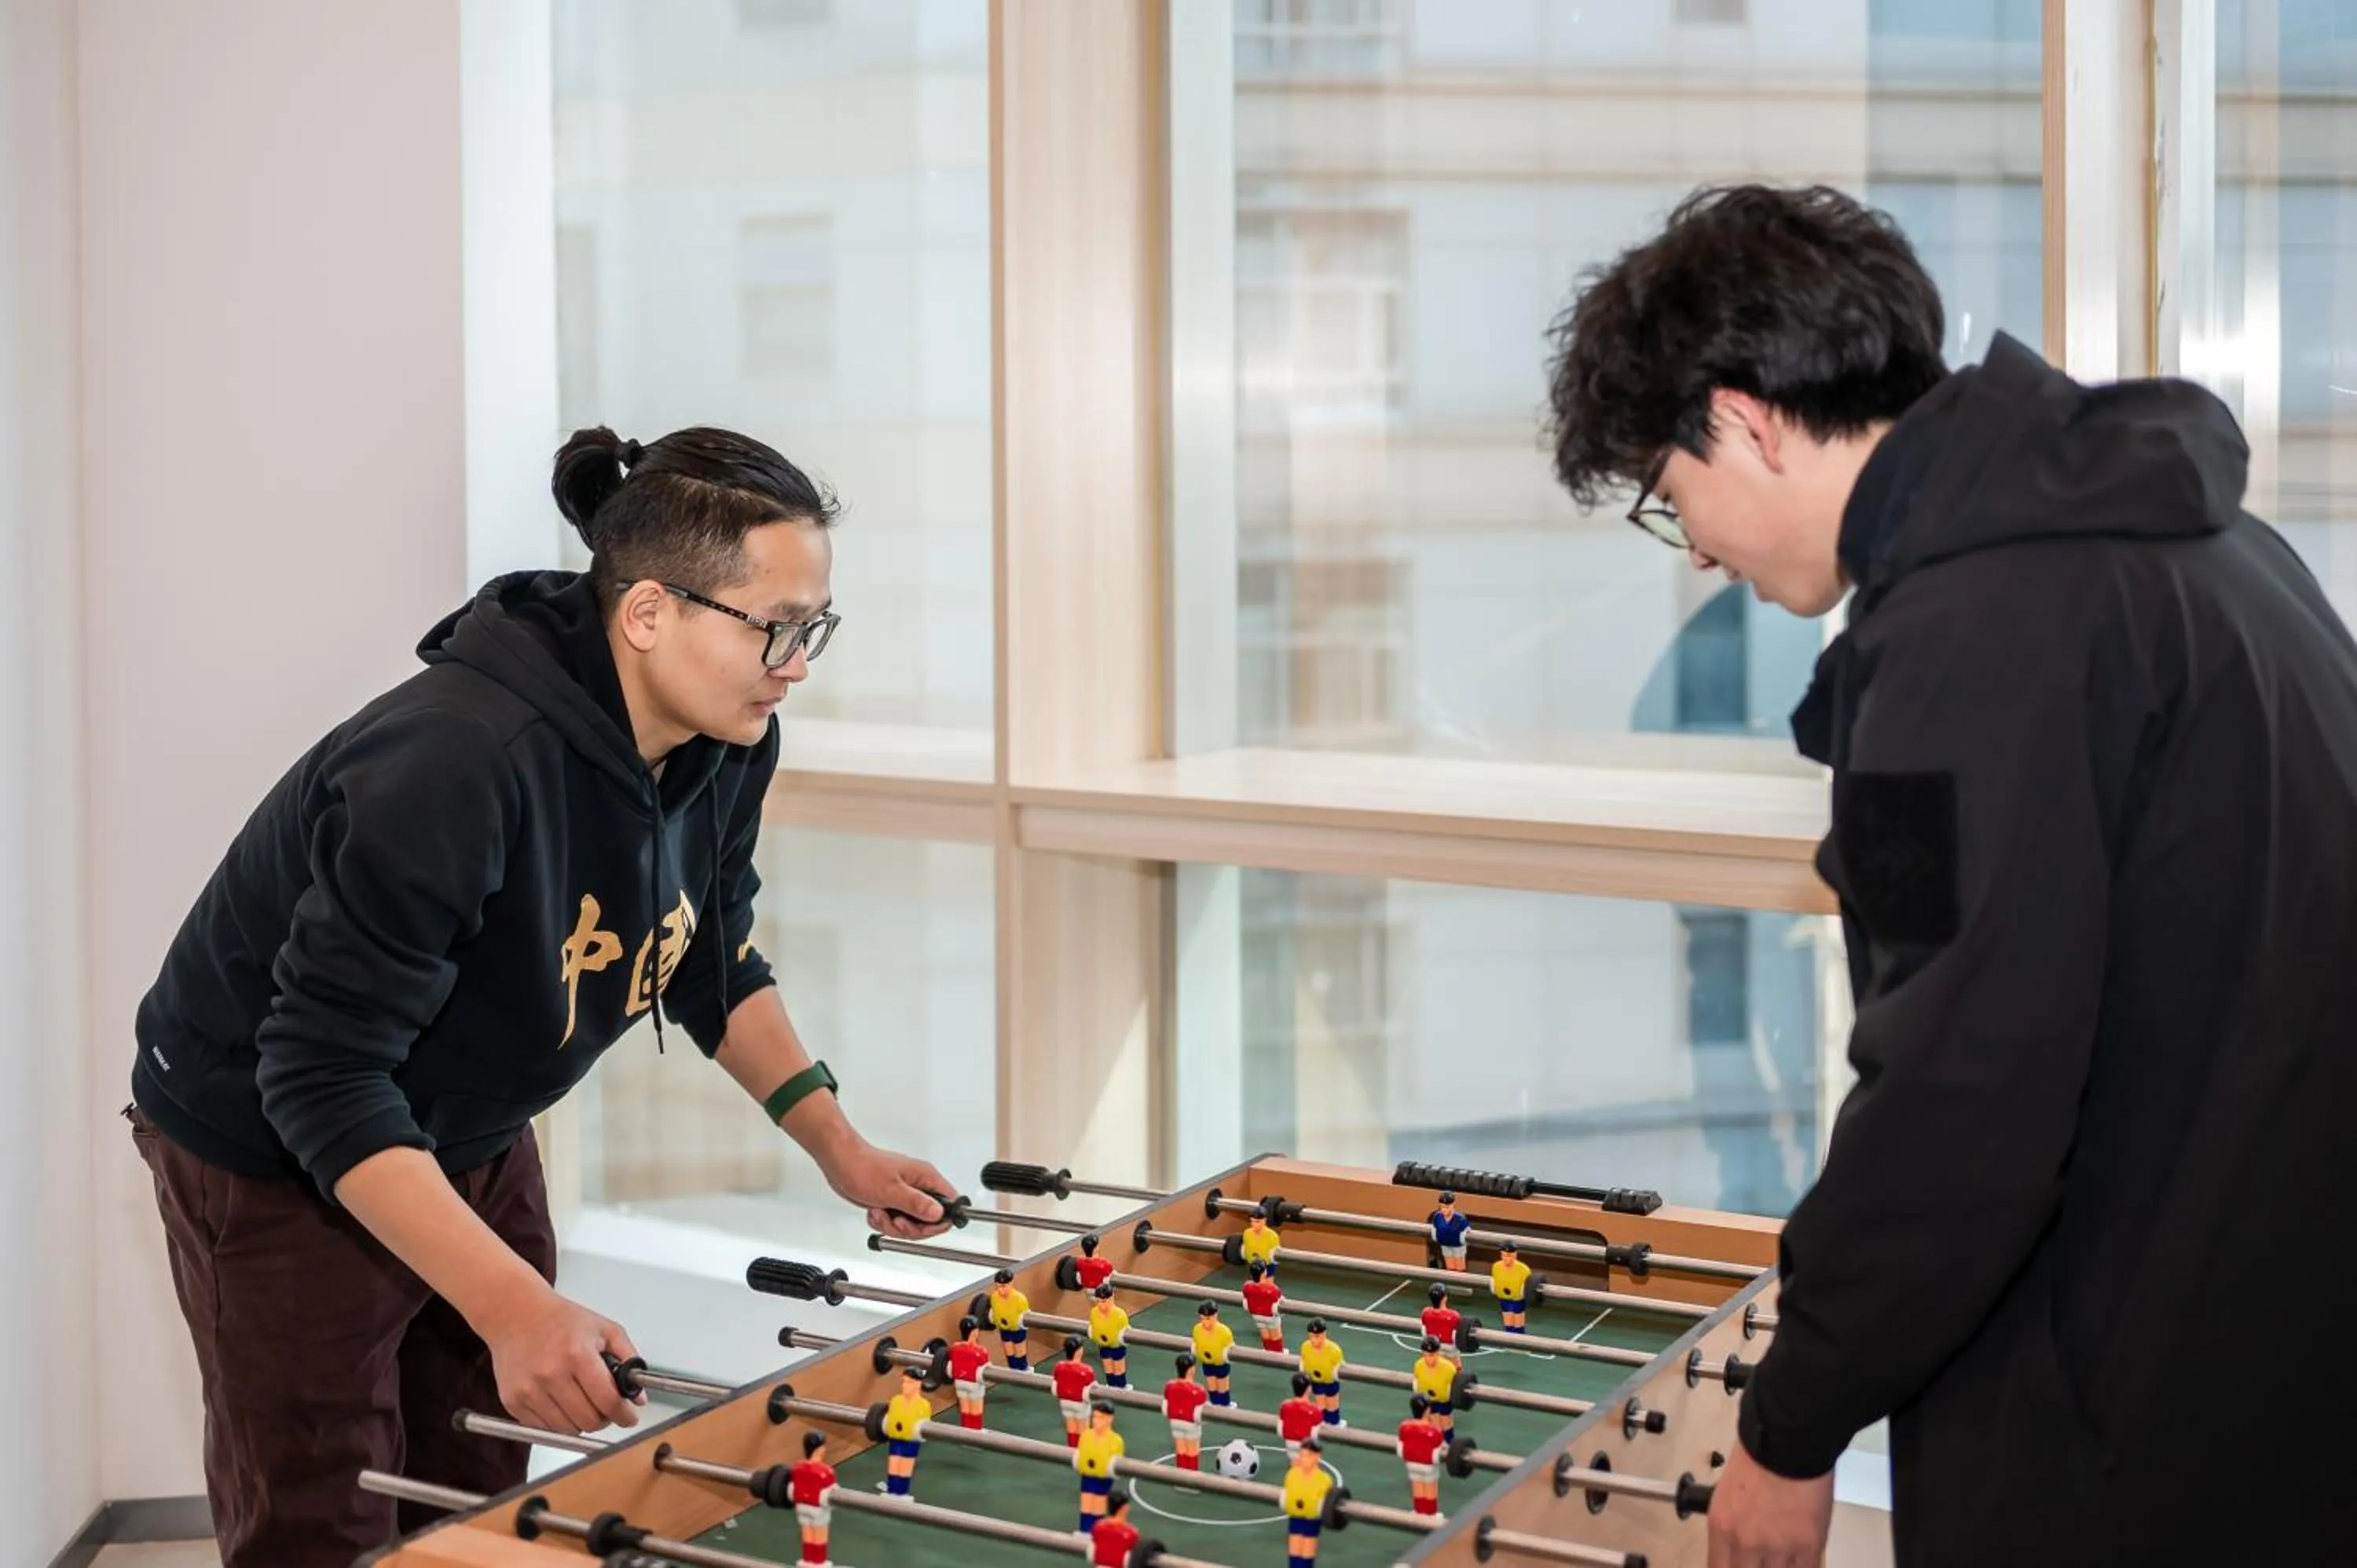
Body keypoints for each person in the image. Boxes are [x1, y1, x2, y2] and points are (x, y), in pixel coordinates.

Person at [1544, 183, 2357, 1566]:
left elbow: (1960, 1098)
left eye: (1678, 501)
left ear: (1742, 421)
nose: (1701, 553)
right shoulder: (2205, 544)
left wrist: (1791, 1429)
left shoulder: (1965, 645)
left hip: (2139, 1425)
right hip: (2282, 1353)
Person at [123, 425, 955, 1567]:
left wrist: (837, 1145)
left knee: (479, 1495)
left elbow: (706, 954)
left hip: (460, 1119)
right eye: (775, 626)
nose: (797, 662)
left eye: (814, 627)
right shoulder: (455, 762)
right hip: (272, 1147)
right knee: (324, 1507)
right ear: (650, 611)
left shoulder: (729, 739)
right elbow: (319, 1075)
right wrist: (512, 1307)